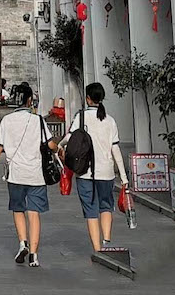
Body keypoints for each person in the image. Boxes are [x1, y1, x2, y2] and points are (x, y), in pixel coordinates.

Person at [0, 82, 56, 269]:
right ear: (30, 100)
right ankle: (34, 254)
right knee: (34, 212)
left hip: (15, 174)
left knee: (18, 209)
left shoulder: (7, 121)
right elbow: (50, 145)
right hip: (36, 173)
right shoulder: (38, 120)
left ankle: (23, 243)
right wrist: (60, 149)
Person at [60, 82, 129, 252]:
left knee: (90, 210)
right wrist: (123, 176)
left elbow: (69, 138)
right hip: (106, 172)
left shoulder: (81, 117)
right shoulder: (110, 120)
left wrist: (59, 145)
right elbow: (115, 149)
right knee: (106, 206)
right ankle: (106, 242)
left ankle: (97, 249)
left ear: (88, 98)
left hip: (85, 172)